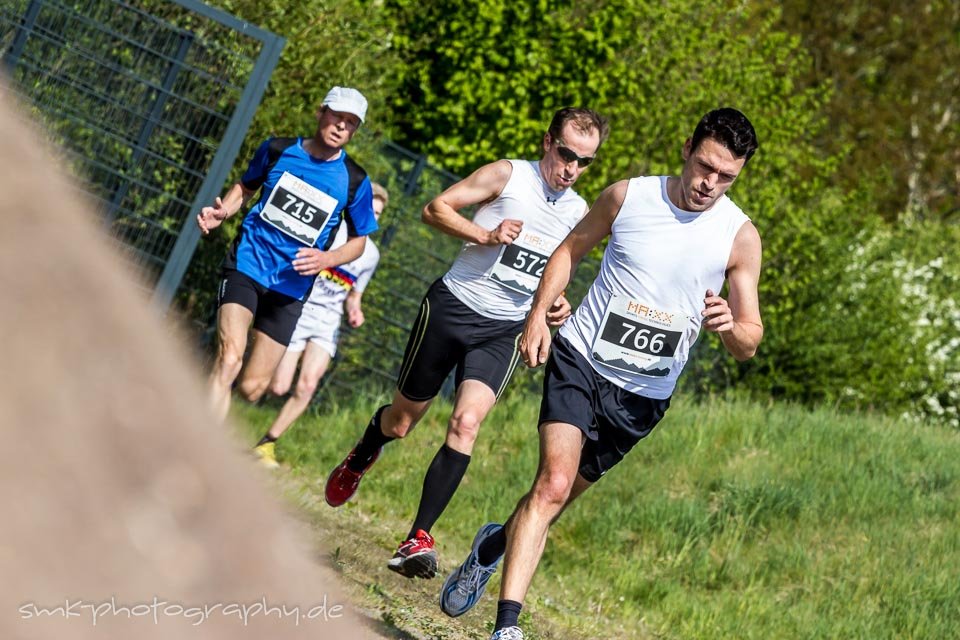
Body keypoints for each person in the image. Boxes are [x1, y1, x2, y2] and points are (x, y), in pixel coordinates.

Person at [438, 108, 763, 640]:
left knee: (557, 500)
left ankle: (492, 548)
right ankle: (506, 628)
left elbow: (750, 339)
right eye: (706, 166)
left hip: (643, 395)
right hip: (582, 360)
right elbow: (567, 251)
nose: (710, 183)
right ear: (687, 148)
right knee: (552, 483)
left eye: (727, 176)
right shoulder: (627, 196)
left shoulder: (739, 236)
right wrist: (540, 312)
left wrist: (730, 327)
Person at [324, 108, 611, 581]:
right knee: (401, 423)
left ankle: (418, 537)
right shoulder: (507, 175)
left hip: (502, 330)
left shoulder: (579, 212)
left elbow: (557, 272)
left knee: (466, 422)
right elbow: (434, 208)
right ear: (547, 142)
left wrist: (556, 304)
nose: (572, 169)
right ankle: (363, 451)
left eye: (585, 163)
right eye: (566, 154)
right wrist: (486, 234)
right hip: (452, 308)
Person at [196, 87, 379, 422]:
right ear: (321, 112)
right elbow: (245, 188)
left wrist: (327, 259)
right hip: (248, 265)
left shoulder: (355, 180)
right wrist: (224, 212)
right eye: (337, 116)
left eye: (351, 123)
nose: (341, 126)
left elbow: (359, 242)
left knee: (252, 387)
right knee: (230, 358)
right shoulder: (278, 149)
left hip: (291, 289)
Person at [252, 183, 389, 468]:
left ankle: (267, 444)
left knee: (308, 385)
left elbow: (355, 295)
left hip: (327, 323)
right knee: (278, 387)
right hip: (299, 311)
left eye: (378, 214)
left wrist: (356, 311)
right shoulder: (330, 231)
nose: (372, 218)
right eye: (369, 210)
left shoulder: (371, 254)